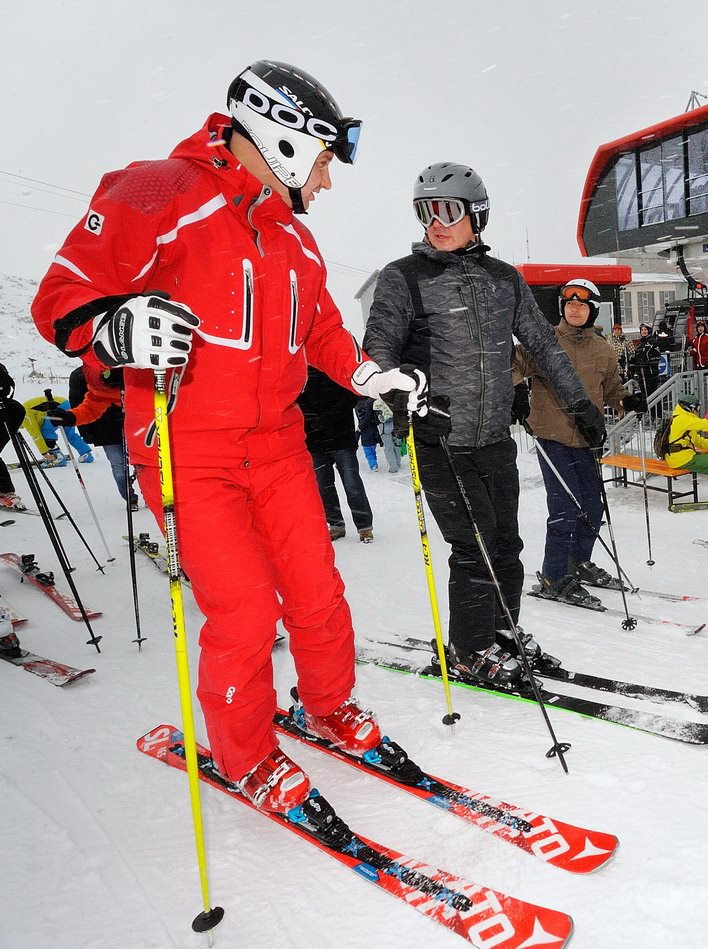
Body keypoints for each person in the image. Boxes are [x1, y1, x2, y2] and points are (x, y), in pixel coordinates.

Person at [29, 60, 425, 816]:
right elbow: (62, 296)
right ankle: (246, 754)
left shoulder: (296, 243)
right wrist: (114, 328)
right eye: (320, 163)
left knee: (317, 590)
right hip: (188, 451)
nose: (327, 183)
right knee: (245, 612)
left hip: (277, 446)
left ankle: (328, 704)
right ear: (279, 141)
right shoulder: (158, 190)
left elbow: (322, 332)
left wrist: (370, 376)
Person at [364, 161, 600, 684]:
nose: (435, 222)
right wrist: (393, 383)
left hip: (493, 438)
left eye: (447, 210)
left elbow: (543, 347)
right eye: (425, 211)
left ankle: (502, 633)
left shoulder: (504, 280)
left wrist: (581, 407)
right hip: (440, 437)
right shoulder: (404, 278)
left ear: (477, 215)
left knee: (507, 545)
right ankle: (470, 652)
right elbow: (377, 346)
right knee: (472, 549)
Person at [515, 278, 629, 608]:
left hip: (586, 438)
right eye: (569, 304)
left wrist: (628, 400)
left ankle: (576, 562)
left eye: (582, 305)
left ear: (592, 310)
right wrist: (516, 390)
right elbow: (513, 364)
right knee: (564, 508)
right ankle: (553, 575)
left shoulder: (602, 348)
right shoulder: (545, 340)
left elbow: (612, 390)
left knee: (592, 506)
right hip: (552, 436)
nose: (575, 309)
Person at [44, 365, 139, 509]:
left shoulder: (130, 366)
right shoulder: (80, 375)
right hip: (105, 428)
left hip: (137, 426)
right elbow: (79, 403)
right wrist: (83, 430)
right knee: (119, 466)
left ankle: (153, 498)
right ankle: (130, 498)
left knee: (145, 464)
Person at [299, 368, 374, 543]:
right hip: (315, 441)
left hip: (342, 439)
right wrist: (312, 420)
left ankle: (364, 527)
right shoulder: (302, 371)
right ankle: (336, 525)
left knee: (352, 483)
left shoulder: (336, 369)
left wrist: (323, 419)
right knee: (324, 486)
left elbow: (350, 398)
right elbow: (298, 401)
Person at [0, 364, 28, 510]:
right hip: (12, 409)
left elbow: (7, 385)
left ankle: (6, 492)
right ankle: (6, 491)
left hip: (8, 411)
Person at [355, 397, 383, 471]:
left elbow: (361, 422)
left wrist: (359, 430)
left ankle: (373, 465)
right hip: (373, 432)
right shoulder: (369, 402)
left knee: (368, 453)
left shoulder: (358, 405)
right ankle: (374, 463)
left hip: (365, 435)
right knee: (373, 451)